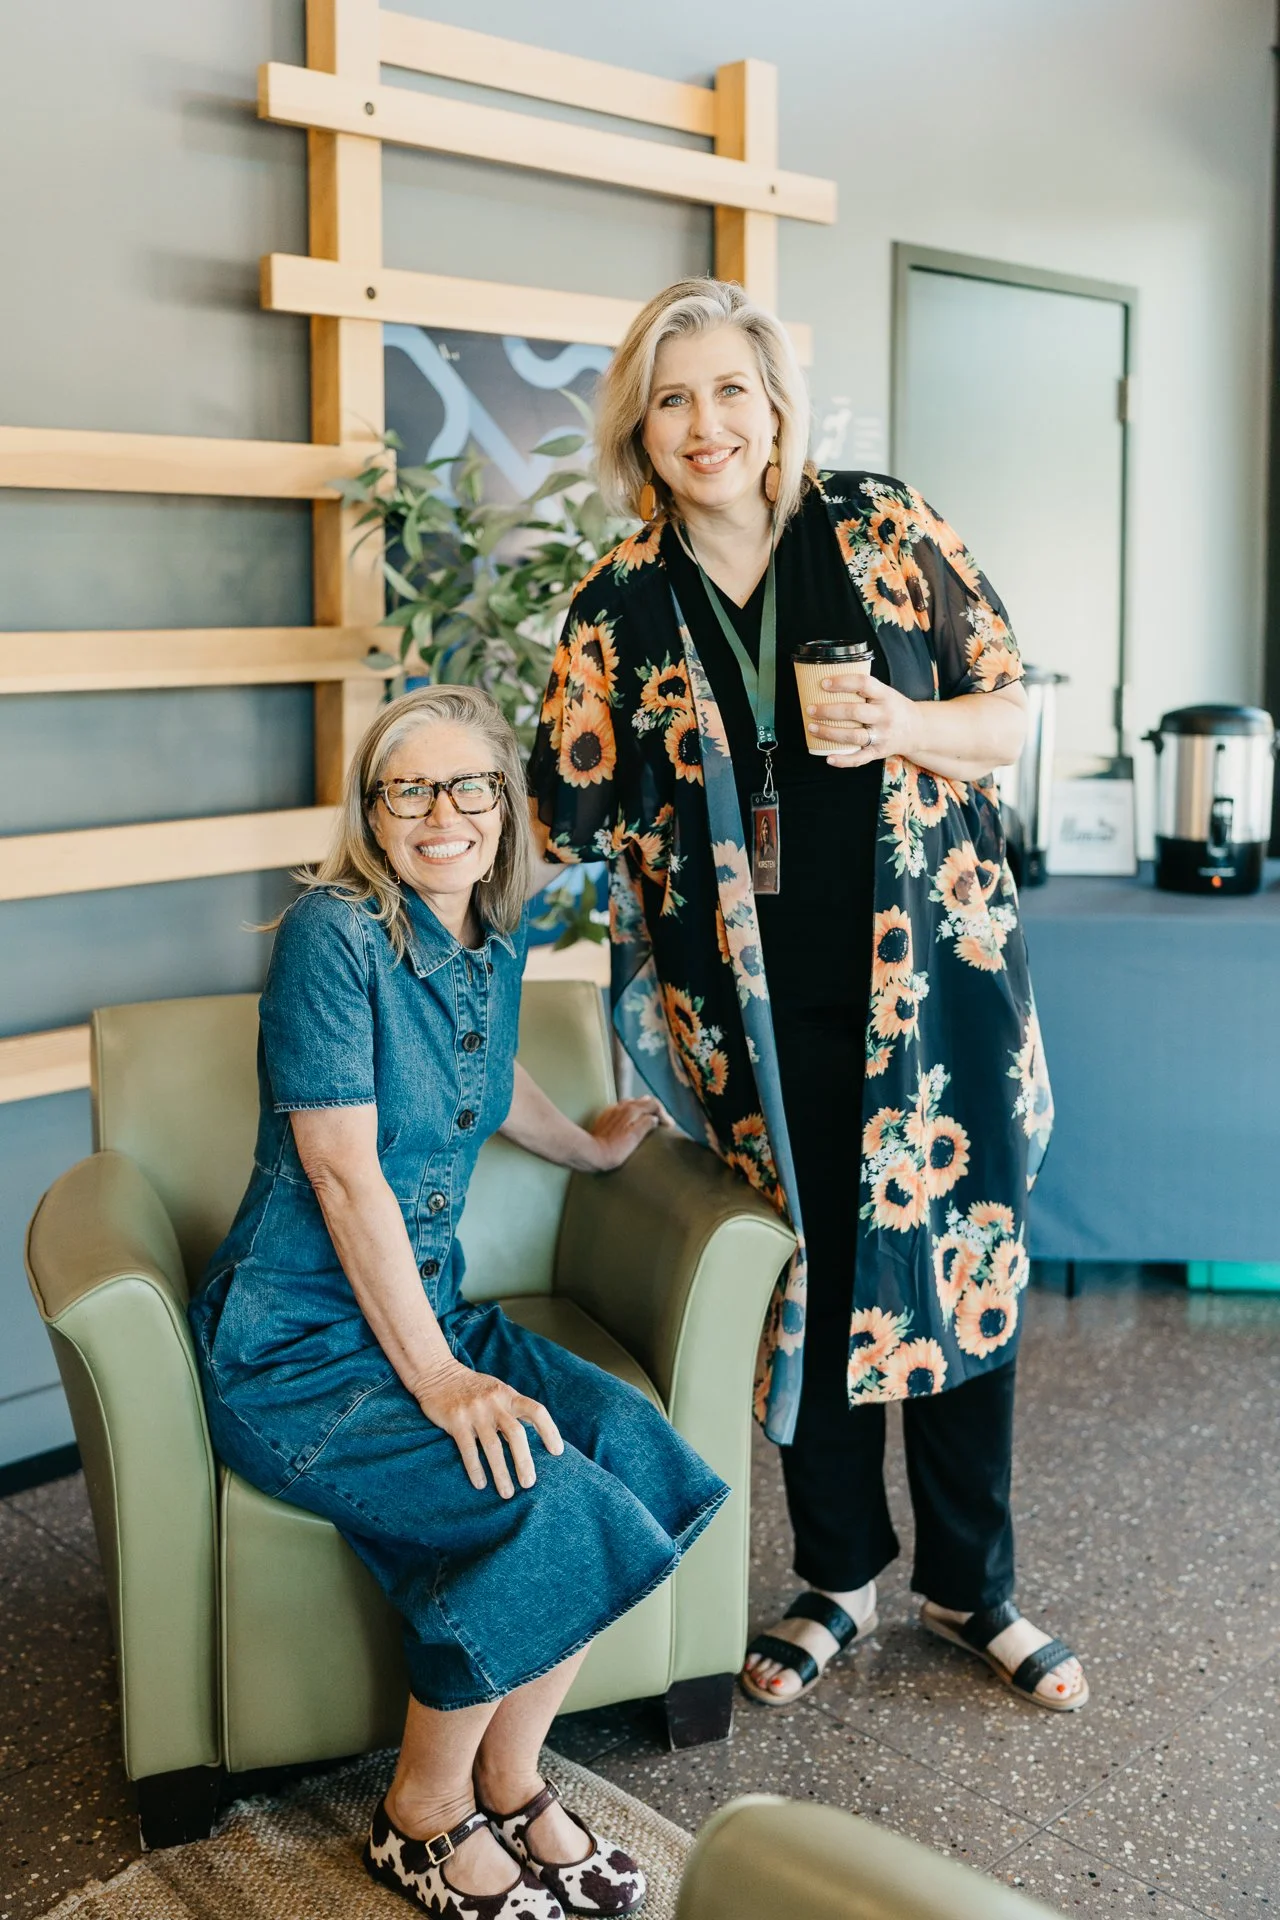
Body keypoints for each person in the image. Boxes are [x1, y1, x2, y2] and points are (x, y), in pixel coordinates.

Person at [527, 278, 1086, 1716]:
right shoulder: (618, 607)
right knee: (809, 1282)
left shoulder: (885, 529)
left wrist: (905, 722)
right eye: (671, 398)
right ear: (638, 432)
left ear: (774, 403)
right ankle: (838, 1576)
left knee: (962, 1266)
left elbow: (1013, 717)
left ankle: (974, 1589)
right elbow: (557, 817)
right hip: (752, 1029)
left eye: (729, 390)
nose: (705, 424)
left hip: (937, 990)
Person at [189, 685, 727, 1920]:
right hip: (299, 1349)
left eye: (469, 786)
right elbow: (339, 1165)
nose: (443, 813)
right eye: (409, 789)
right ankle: (416, 1815)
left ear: (505, 804)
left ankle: (510, 1773)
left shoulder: (490, 928)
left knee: (637, 1461)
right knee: (540, 1503)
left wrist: (584, 1151)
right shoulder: (334, 932)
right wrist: (438, 1378)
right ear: (372, 816)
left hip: (425, 1307)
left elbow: (486, 1070)